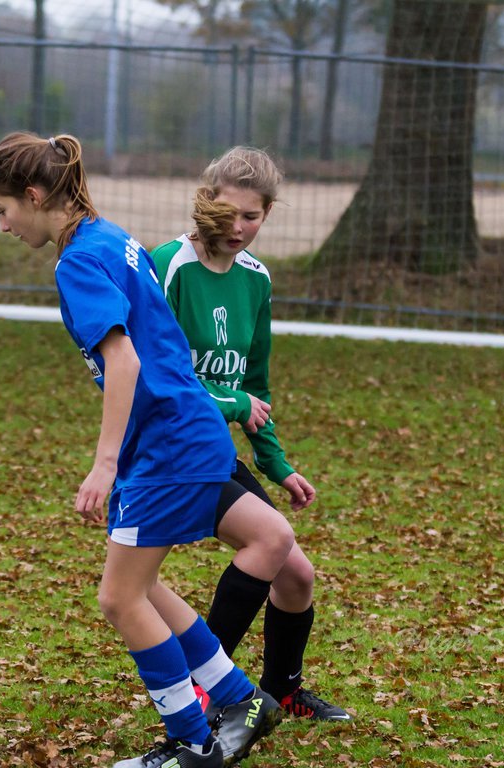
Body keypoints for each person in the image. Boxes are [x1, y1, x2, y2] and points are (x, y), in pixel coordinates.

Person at [0, 132, 295, 768]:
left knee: (120, 598)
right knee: (143, 586)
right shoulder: (110, 237)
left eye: (2, 209)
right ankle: (240, 699)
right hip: (183, 434)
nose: (4, 225)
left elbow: (125, 362)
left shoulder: (78, 263)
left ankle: (193, 742)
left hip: (168, 443)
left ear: (35, 196)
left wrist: (104, 463)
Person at [151, 146, 351, 722]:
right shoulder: (171, 266)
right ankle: (207, 690)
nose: (238, 228)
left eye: (253, 217)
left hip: (211, 447)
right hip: (168, 447)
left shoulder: (257, 280)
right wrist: (234, 402)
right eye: (228, 212)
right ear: (204, 201)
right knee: (270, 543)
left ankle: (282, 689)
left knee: (296, 574)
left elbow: (255, 382)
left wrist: (276, 462)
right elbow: (159, 377)